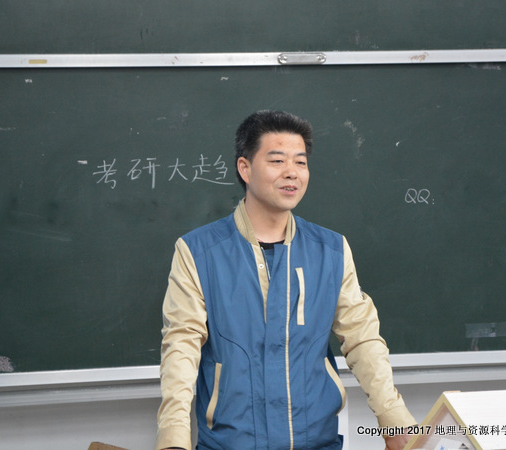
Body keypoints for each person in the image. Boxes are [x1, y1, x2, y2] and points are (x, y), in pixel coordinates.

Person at [156, 110, 416, 450]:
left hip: (317, 443)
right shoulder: (198, 251)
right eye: (277, 160)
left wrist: (394, 420)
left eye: (300, 162)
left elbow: (362, 339)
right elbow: (181, 347)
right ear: (245, 168)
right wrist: (173, 439)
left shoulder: (330, 249)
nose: (292, 172)